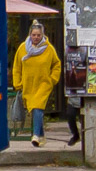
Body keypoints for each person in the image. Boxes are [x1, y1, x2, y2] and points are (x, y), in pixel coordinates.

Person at [12, 20, 61, 148]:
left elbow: (56, 65)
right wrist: (17, 83)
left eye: (38, 35)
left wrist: (52, 79)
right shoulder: (23, 48)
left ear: (42, 35)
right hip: (28, 84)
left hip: (43, 84)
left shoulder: (49, 49)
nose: (36, 37)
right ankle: (42, 136)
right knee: (34, 110)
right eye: (34, 35)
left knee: (37, 107)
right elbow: (17, 67)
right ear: (30, 35)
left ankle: (35, 135)